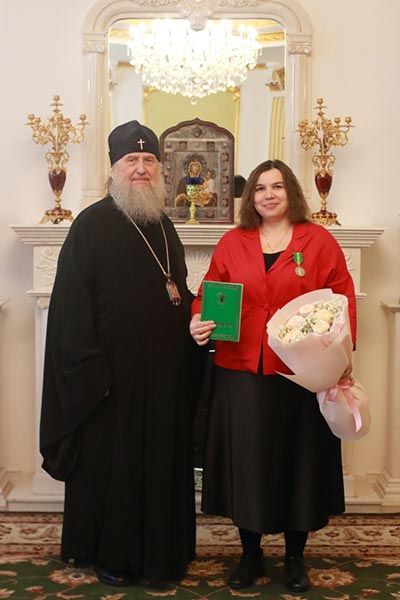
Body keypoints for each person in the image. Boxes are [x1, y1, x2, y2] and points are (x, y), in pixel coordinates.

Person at [40, 120, 204, 588]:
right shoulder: (89, 225)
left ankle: (164, 552)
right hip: (111, 381)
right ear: (113, 169)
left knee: (160, 463)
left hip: (164, 375)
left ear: (160, 169)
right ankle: (113, 555)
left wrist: (197, 319)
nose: (141, 168)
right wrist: (94, 373)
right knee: (117, 468)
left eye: (149, 160)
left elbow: (176, 290)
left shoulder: (164, 225)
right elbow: (70, 309)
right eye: (132, 160)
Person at [189, 159, 356, 593]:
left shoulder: (318, 240)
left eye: (277, 186)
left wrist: (343, 354)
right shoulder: (233, 241)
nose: (268, 194)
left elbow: (342, 298)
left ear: (291, 193)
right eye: (260, 188)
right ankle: (250, 555)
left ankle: (295, 559)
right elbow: (209, 293)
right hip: (241, 369)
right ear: (251, 198)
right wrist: (197, 319)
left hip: (302, 371)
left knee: (300, 463)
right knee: (248, 464)